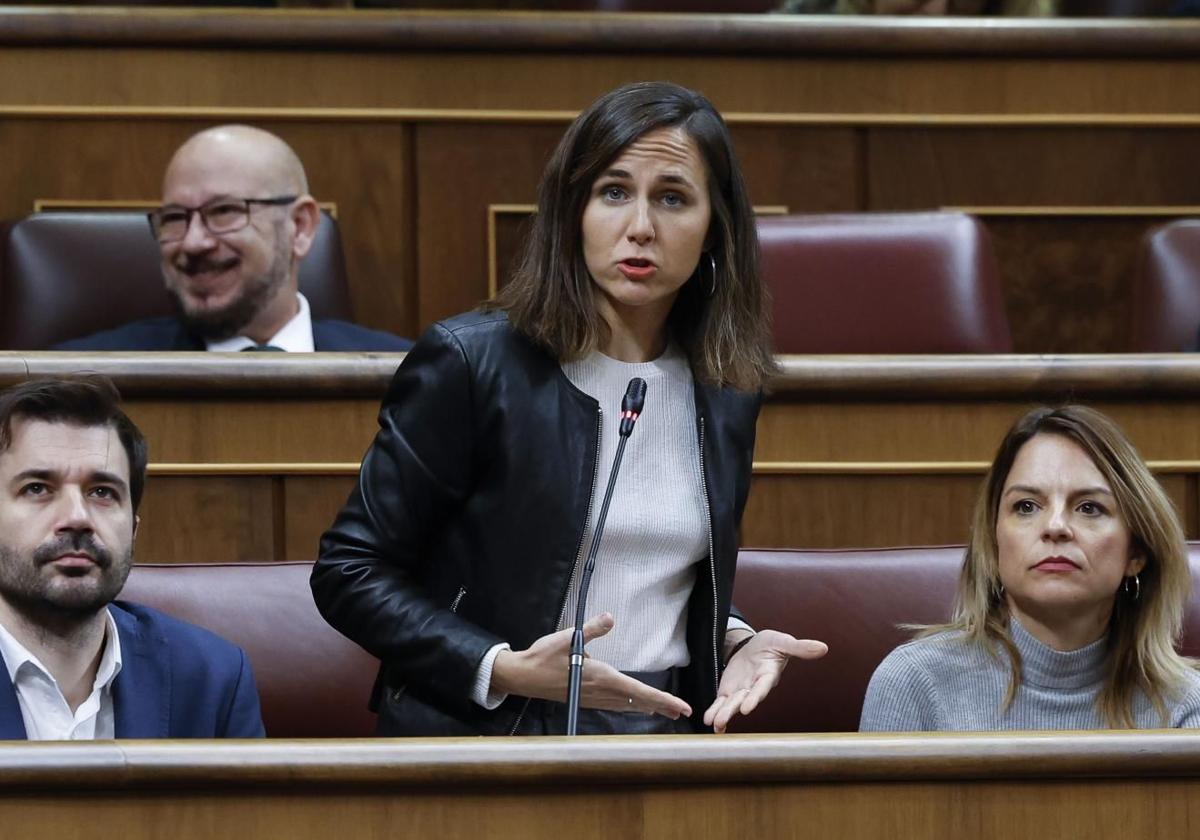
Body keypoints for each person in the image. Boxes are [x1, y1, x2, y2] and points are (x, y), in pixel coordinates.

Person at [311, 81, 827, 737]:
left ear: (715, 228)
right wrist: (498, 665)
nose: (640, 226)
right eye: (614, 192)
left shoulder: (726, 384)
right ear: (573, 210)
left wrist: (732, 640)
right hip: (489, 736)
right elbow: (350, 572)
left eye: (672, 198)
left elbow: (655, 574)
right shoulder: (473, 363)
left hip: (664, 732)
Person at [860, 405, 1200, 731]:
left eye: (1089, 508)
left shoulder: (1186, 705)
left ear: (1136, 552)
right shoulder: (913, 684)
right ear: (994, 544)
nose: (1055, 526)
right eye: (1026, 506)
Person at [0, 376, 264, 739]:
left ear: (134, 529)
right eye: (37, 489)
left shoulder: (210, 679)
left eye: (102, 492)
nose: (78, 517)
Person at [55, 125, 411, 352]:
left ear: (300, 227)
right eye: (175, 218)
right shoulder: (84, 379)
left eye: (224, 212)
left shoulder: (407, 376)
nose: (193, 243)